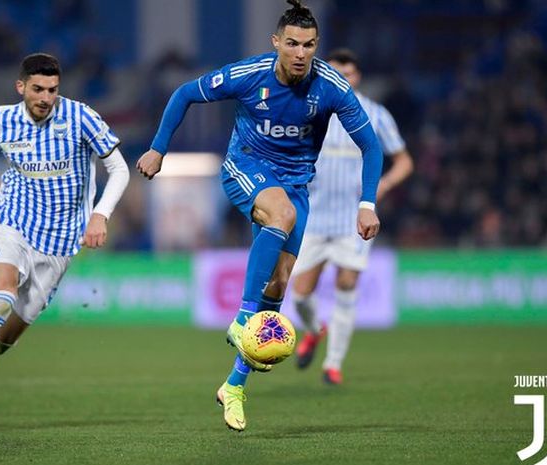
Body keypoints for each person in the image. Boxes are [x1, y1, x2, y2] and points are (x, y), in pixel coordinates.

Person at [136, 0, 383, 431]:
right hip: (245, 166)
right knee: (280, 216)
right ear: (276, 43)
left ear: (316, 45)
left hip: (295, 185)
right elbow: (184, 94)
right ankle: (243, 319)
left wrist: (367, 203)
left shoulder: (332, 87)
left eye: (308, 45)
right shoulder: (250, 75)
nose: (301, 53)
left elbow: (372, 146)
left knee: (280, 284)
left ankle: (233, 386)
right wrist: (159, 147)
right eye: (292, 43)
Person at [0, 53, 130, 433]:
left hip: (60, 243)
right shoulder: (2, 120)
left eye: (52, 90)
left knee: (2, 341)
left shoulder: (80, 117)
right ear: (21, 87)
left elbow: (118, 168)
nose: (45, 97)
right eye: (37, 89)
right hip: (12, 222)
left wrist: (100, 214)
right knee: (2, 295)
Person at [291, 49, 414, 385]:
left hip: (352, 220)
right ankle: (316, 329)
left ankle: (333, 364)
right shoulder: (310, 110)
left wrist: (382, 187)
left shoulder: (375, 115)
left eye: (349, 73)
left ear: (358, 77)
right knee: (300, 293)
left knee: (347, 284)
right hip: (313, 216)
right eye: (336, 72)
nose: (343, 78)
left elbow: (404, 160)